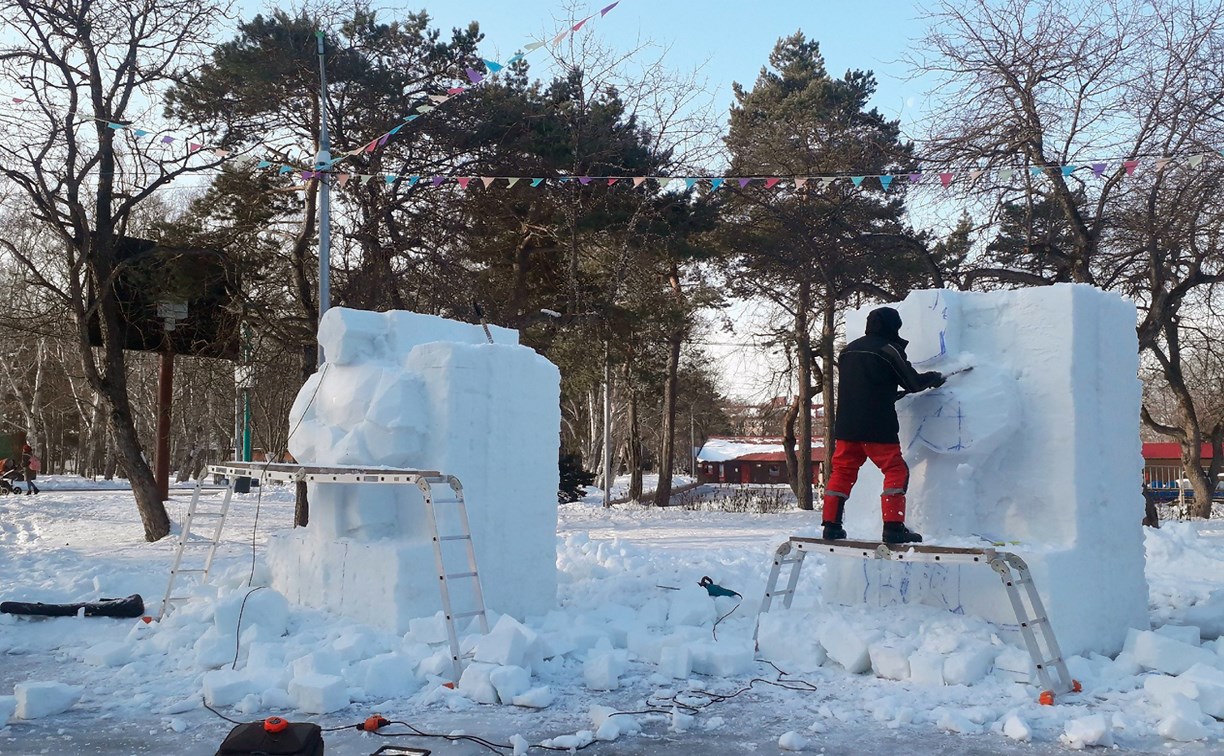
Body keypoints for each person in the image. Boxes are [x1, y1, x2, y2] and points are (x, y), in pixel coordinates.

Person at [821, 307, 944, 544]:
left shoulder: (847, 351)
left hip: (847, 427)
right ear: (893, 327)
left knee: (843, 472)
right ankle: (893, 527)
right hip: (877, 426)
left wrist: (889, 393)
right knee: (896, 471)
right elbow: (913, 383)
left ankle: (831, 526)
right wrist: (933, 378)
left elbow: (864, 384)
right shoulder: (889, 350)